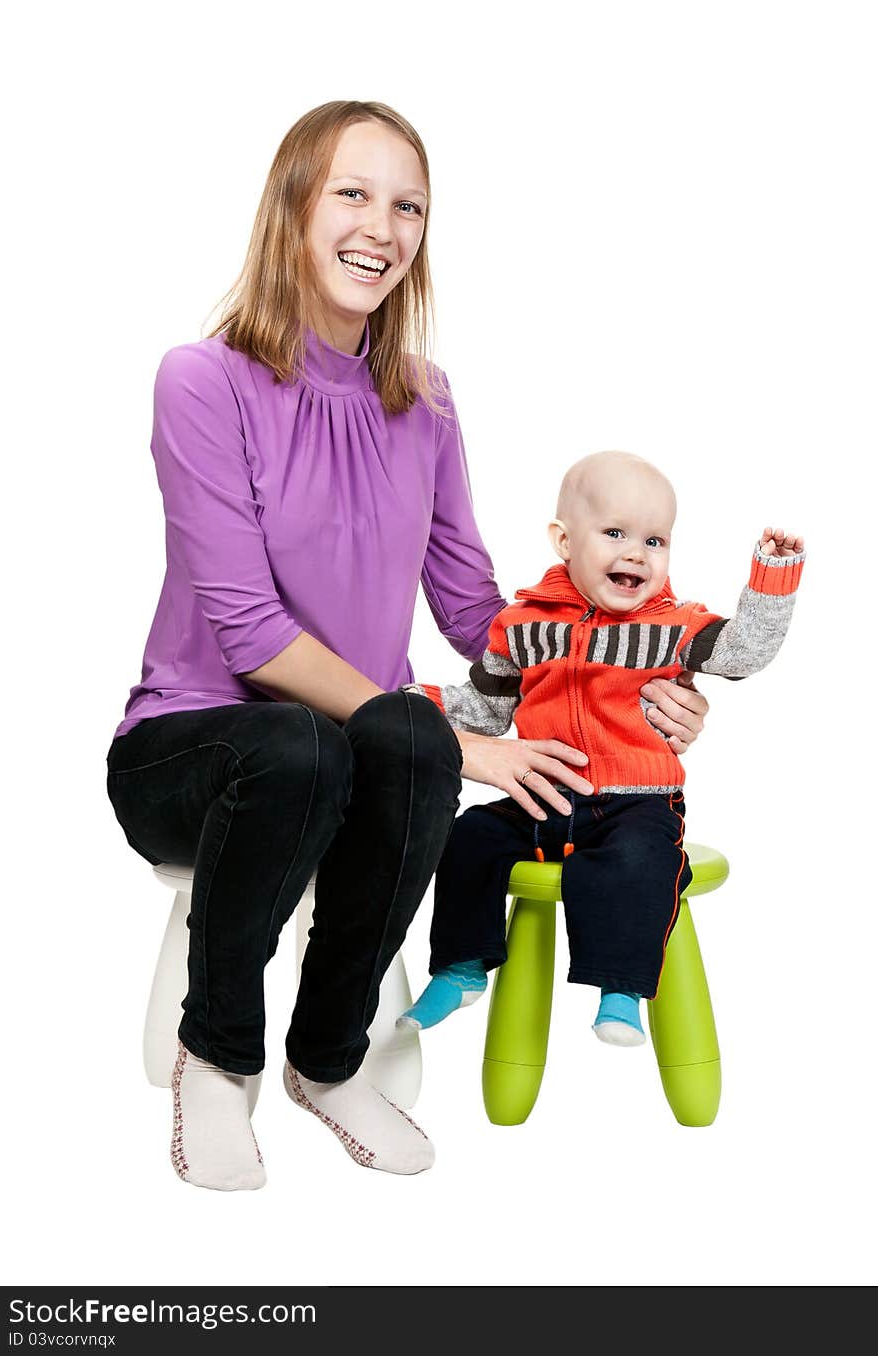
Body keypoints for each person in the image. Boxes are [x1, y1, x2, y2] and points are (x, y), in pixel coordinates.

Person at [104, 103, 709, 1190]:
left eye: (407, 205)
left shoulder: (424, 403)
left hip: (351, 752)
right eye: (352, 193)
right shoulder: (201, 380)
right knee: (312, 746)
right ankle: (217, 1057)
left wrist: (643, 673)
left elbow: (479, 616)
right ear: (293, 205)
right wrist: (454, 740)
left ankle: (327, 1066)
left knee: (380, 749)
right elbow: (246, 631)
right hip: (189, 748)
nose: (381, 227)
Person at [398, 450, 804, 1044]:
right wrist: (417, 701)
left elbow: (745, 652)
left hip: (636, 802)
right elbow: (486, 709)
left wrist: (772, 579)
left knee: (641, 859)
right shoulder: (522, 626)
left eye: (655, 540)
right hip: (543, 793)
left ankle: (622, 989)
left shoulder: (674, 626)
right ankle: (461, 967)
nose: (637, 552)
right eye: (614, 533)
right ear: (564, 540)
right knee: (467, 836)